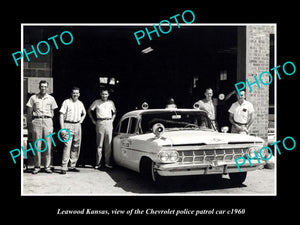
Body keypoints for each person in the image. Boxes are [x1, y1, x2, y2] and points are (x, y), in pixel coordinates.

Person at [26, 80, 58, 174]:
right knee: (37, 144)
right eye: (42, 86)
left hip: (48, 121)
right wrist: (30, 124)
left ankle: (47, 166)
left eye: (45, 86)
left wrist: (49, 119)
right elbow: (29, 112)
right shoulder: (33, 98)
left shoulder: (51, 98)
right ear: (39, 87)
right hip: (37, 120)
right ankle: (37, 166)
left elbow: (53, 112)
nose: (43, 88)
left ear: (47, 87)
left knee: (48, 144)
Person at [59, 87, 86, 175]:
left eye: (77, 93)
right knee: (67, 145)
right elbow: (61, 115)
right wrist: (62, 128)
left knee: (76, 145)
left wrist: (81, 121)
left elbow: (84, 113)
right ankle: (64, 166)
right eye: (74, 93)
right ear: (71, 93)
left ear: (79, 94)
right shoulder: (66, 102)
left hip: (77, 125)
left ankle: (72, 165)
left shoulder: (80, 103)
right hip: (68, 125)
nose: (75, 95)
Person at [88, 89, 116, 169]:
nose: (104, 96)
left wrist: (112, 120)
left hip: (109, 122)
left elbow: (114, 112)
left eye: (106, 94)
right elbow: (89, 111)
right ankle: (98, 163)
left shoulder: (111, 103)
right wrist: (93, 121)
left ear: (108, 95)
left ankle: (107, 163)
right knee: (99, 144)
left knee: (108, 144)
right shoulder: (96, 102)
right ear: (100, 94)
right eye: (103, 94)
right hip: (100, 122)